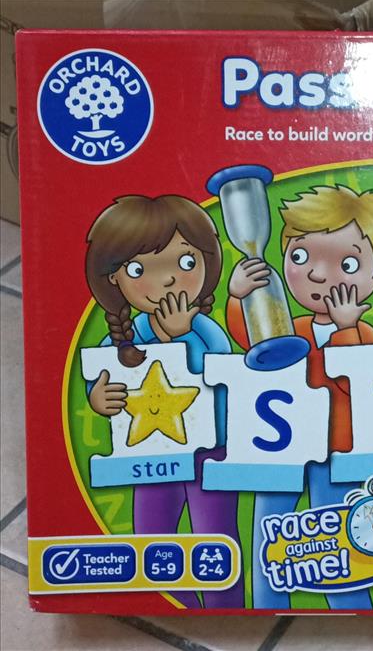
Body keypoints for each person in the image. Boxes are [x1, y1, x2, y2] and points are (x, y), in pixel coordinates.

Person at [226, 184, 373, 610]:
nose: (320, 276)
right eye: (301, 257)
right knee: (270, 534)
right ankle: (266, 604)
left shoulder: (364, 334)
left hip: (337, 452)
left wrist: (345, 328)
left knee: (343, 537)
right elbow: (252, 341)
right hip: (279, 449)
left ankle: (351, 606)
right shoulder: (288, 324)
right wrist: (238, 296)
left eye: (347, 264)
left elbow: (360, 384)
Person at [85, 194, 243, 608]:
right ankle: (172, 602)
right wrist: (99, 397)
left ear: (207, 263)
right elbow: (101, 375)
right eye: (140, 269)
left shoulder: (206, 329)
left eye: (186, 262)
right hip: (149, 454)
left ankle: (225, 605)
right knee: (153, 537)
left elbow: (217, 375)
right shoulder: (127, 335)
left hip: (210, 452)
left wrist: (182, 335)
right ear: (114, 279)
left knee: (216, 536)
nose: (169, 279)